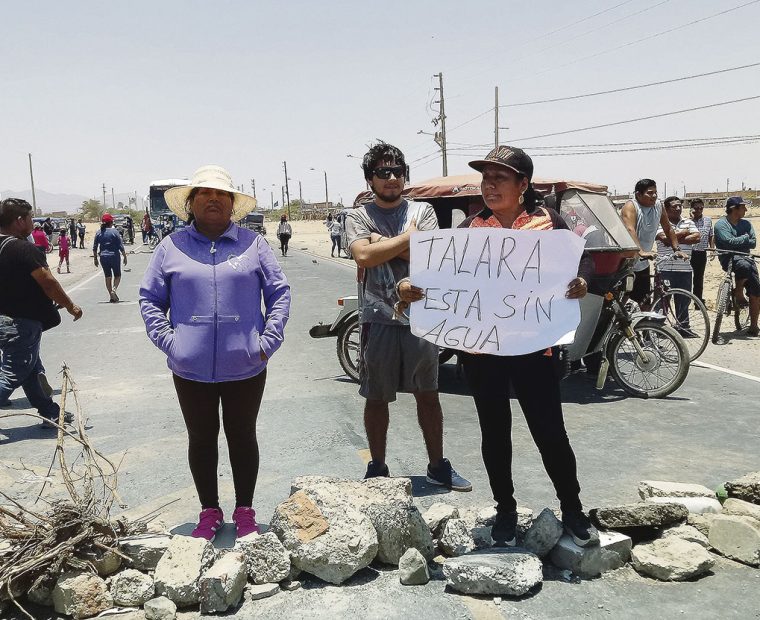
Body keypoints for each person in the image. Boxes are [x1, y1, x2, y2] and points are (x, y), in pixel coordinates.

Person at [419, 145, 596, 547]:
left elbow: (580, 260)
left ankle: (572, 509)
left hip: (536, 351)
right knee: (494, 434)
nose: (490, 185)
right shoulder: (468, 230)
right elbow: (443, 279)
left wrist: (581, 282)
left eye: (500, 178)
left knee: (550, 432)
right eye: (485, 178)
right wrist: (415, 290)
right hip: (483, 353)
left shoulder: (547, 222)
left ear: (523, 184)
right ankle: (505, 509)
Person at [139, 165, 290, 541]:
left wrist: (266, 342)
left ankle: (244, 510)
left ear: (231, 204)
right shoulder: (170, 248)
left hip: (246, 364)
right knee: (201, 437)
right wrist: (172, 344)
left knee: (242, 435)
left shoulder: (253, 245)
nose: (213, 199)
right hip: (189, 368)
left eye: (221, 194)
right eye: (204, 193)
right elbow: (150, 300)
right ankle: (208, 510)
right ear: (191, 203)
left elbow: (279, 294)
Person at [345, 141, 471, 491]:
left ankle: (437, 465)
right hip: (376, 320)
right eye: (383, 173)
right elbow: (363, 259)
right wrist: (406, 239)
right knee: (376, 396)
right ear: (370, 179)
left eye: (398, 172)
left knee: (428, 393)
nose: (392, 178)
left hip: (422, 319)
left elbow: (427, 258)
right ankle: (378, 467)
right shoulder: (357, 216)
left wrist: (380, 244)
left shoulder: (424, 212)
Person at [0, 198, 83, 425]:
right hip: (20, 324)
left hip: (6, 322)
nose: (31, 222)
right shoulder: (23, 248)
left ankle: (50, 412)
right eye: (28, 218)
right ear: (19, 221)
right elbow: (48, 282)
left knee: (32, 370)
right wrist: (70, 305)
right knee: (10, 374)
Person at [620, 179, 682, 304]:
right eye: (650, 193)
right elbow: (630, 229)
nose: (654, 196)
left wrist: (677, 249)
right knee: (622, 299)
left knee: (644, 301)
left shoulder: (658, 205)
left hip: (642, 262)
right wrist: (640, 251)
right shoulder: (631, 206)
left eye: (655, 192)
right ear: (638, 194)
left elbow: (668, 228)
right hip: (625, 262)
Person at [655, 197, 700, 335]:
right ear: (666, 209)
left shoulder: (688, 222)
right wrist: (685, 233)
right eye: (674, 206)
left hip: (685, 268)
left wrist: (674, 236)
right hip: (665, 268)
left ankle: (683, 328)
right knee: (662, 301)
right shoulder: (660, 223)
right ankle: (657, 328)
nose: (678, 208)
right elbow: (666, 240)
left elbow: (697, 237)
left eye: (680, 206)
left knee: (684, 300)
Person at [714, 196, 759, 336]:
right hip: (729, 259)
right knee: (744, 266)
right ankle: (738, 292)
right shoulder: (721, 224)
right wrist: (745, 238)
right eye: (743, 207)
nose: (746, 209)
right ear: (734, 209)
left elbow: (753, 243)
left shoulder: (746, 224)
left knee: (756, 287)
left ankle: (753, 325)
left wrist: (741, 240)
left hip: (747, 258)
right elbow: (728, 242)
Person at [92, 213, 127, 302]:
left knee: (108, 276)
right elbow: (120, 246)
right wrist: (125, 256)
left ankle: (111, 296)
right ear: (111, 222)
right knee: (117, 275)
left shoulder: (99, 232)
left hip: (103, 257)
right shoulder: (115, 232)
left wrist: (95, 258)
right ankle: (114, 290)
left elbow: (95, 247)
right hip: (114, 256)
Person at [689, 198, 714, 304]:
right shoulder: (687, 221)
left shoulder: (708, 220)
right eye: (696, 208)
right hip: (688, 253)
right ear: (692, 209)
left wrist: (712, 249)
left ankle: (698, 301)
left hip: (701, 253)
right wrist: (691, 219)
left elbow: (711, 235)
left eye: (701, 208)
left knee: (699, 278)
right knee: (687, 278)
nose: (699, 210)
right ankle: (685, 298)